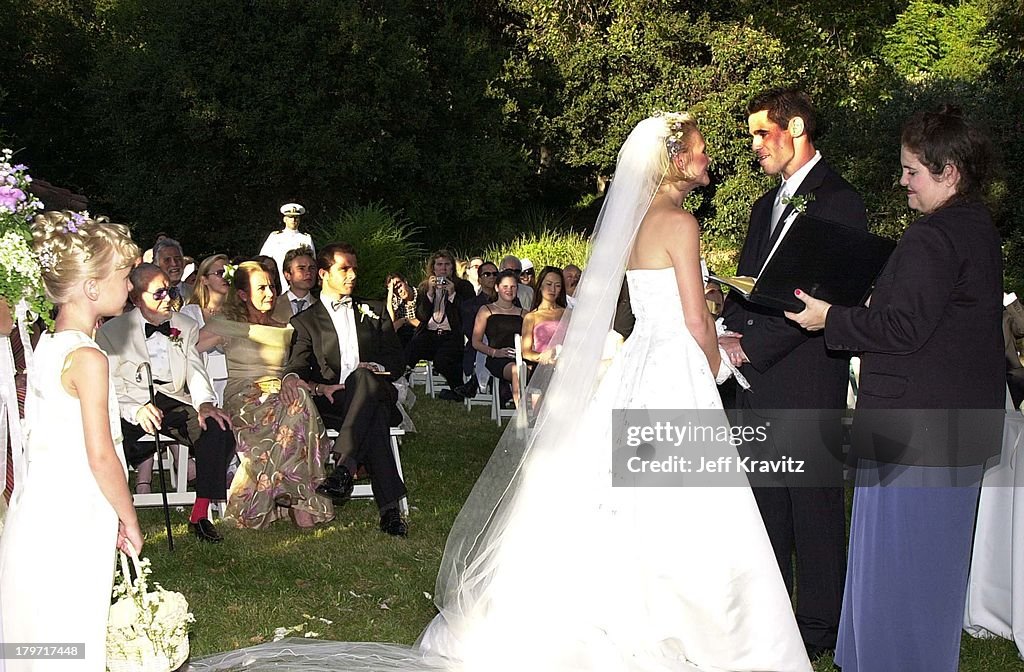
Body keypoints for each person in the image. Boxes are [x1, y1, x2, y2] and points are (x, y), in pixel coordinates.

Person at [190, 114, 812, 672]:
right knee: (685, 500)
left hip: (642, 362)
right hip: (672, 364)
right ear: (676, 160)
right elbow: (695, 318)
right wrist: (715, 364)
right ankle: (698, 627)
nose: (709, 159)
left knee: (621, 494)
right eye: (700, 151)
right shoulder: (680, 221)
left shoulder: (640, 223)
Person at [786, 104, 1004, 672]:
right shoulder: (977, 227)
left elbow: (903, 327)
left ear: (949, 171)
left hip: (917, 428)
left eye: (912, 171)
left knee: (899, 569)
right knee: (926, 569)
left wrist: (830, 318)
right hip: (952, 426)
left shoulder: (934, 237)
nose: (902, 182)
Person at [718, 88, 867, 659]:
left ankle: (820, 628)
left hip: (804, 376)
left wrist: (752, 349)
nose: (754, 145)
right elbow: (755, 285)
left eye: (762, 133)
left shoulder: (840, 201)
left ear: (797, 127)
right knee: (766, 501)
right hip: (753, 376)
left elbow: (829, 296)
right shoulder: (764, 205)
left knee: (813, 505)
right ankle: (774, 616)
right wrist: (724, 329)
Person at [0, 211, 143, 672]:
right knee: (72, 634)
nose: (131, 287)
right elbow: (102, 455)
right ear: (92, 287)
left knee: (37, 639)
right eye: (124, 276)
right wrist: (128, 516)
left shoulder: (47, 346)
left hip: (38, 510)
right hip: (75, 514)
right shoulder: (88, 357)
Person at [96, 263, 236, 543]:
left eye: (170, 290)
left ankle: (200, 513)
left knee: (217, 429)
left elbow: (195, 369)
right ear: (136, 298)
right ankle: (111, 515)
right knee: (110, 443)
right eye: (158, 293)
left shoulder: (185, 325)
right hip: (129, 403)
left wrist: (205, 403)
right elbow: (110, 386)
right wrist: (136, 409)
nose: (169, 298)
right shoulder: (112, 332)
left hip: (172, 401)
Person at [281, 243, 409, 537]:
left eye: (354, 269)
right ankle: (389, 511)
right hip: (336, 402)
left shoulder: (375, 310)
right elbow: (297, 365)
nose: (352, 275)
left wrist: (376, 368)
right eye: (344, 269)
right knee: (372, 418)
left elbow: (397, 360)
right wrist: (297, 381)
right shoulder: (306, 321)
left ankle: (343, 468)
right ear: (324, 274)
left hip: (378, 390)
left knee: (364, 379)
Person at [199, 262, 334, 529]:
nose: (270, 293)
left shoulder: (284, 327)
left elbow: (299, 366)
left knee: (298, 401)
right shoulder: (226, 325)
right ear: (242, 294)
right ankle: (301, 502)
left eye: (272, 286)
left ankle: (290, 499)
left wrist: (316, 386)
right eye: (261, 287)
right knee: (297, 408)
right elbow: (185, 351)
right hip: (245, 398)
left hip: (280, 393)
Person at [406, 250, 476, 401]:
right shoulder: (425, 287)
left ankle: (458, 390)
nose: (443, 268)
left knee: (443, 360)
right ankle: (400, 384)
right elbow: (421, 316)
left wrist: (452, 295)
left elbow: (466, 315)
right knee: (411, 349)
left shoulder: (463, 286)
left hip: (451, 335)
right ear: (433, 268)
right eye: (439, 265)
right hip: (429, 333)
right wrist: (430, 294)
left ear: (452, 267)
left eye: (447, 264)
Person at [471, 269, 527, 408]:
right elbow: (475, 342)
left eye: (513, 287)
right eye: (505, 287)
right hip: (498, 359)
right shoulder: (486, 310)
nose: (509, 290)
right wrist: (495, 352)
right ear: (497, 288)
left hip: (521, 356)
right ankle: (522, 412)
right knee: (516, 370)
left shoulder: (524, 313)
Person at [181, 254, 232, 403]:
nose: (226, 277)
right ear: (204, 280)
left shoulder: (238, 313)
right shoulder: (189, 313)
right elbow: (185, 350)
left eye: (229, 271)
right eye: (219, 273)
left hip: (233, 384)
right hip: (202, 386)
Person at [260, 203, 315, 292]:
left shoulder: (306, 238)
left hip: (299, 280)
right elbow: (263, 259)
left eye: (296, 217)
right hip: (279, 281)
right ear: (284, 219)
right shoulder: (275, 237)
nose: (293, 220)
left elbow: (312, 261)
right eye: (290, 217)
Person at [521, 266, 567, 366]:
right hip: (543, 366)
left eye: (558, 285)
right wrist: (544, 357)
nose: (553, 289)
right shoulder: (531, 317)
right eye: (549, 284)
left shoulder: (568, 314)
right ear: (540, 286)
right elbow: (526, 353)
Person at [271, 246, 319, 324]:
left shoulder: (320, 307)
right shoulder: (273, 305)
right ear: (287, 275)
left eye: (312, 268)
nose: (308, 272)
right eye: (301, 268)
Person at [153, 236, 191, 305]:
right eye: (167, 260)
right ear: (156, 264)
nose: (174, 264)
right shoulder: (150, 295)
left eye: (177, 258)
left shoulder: (197, 292)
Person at [385, 273, 419, 348]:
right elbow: (390, 323)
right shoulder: (397, 302)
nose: (399, 291)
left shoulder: (421, 295)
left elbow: (425, 325)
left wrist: (405, 320)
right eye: (395, 290)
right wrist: (390, 296)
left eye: (399, 286)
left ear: (405, 282)